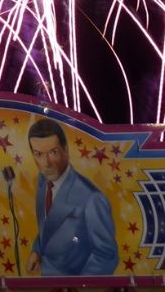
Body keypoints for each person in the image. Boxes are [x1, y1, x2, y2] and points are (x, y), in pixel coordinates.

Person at [26, 117, 118, 276]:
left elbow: (107, 255)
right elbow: (49, 227)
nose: (46, 163)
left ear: (66, 150)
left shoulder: (92, 198)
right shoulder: (43, 183)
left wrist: (78, 290)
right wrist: (37, 249)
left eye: (53, 152)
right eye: (38, 154)